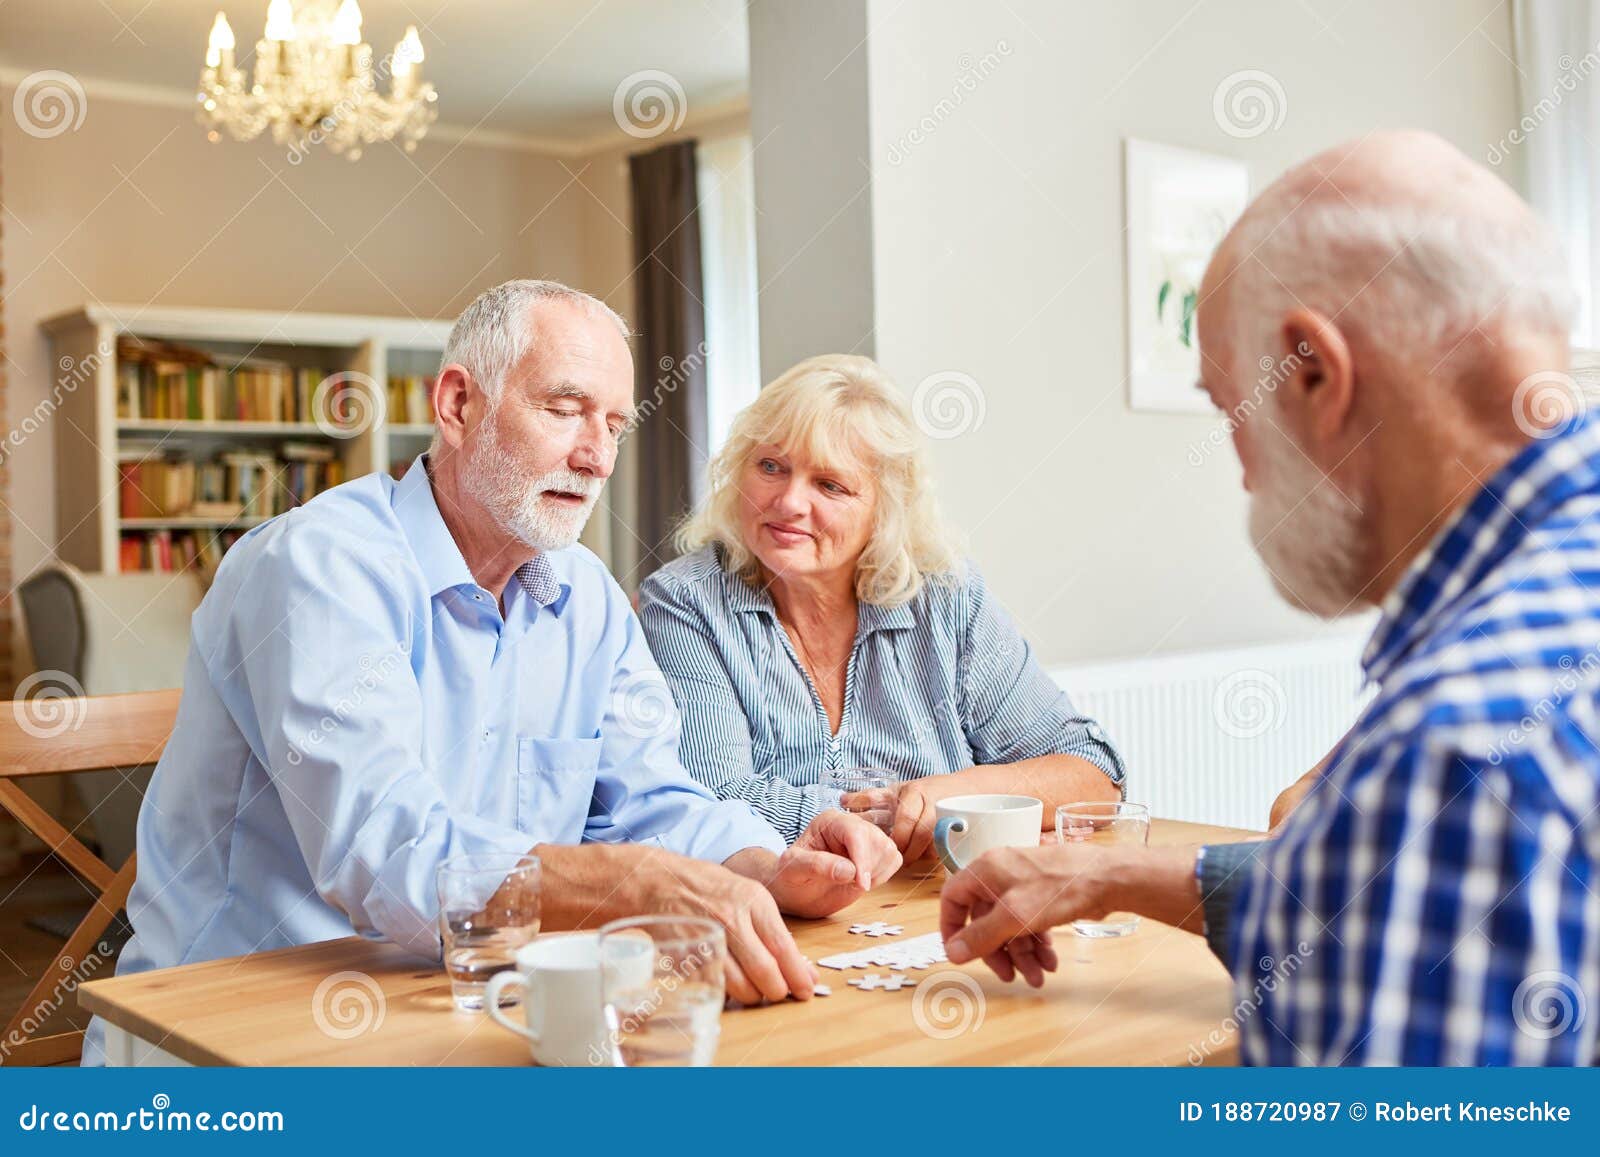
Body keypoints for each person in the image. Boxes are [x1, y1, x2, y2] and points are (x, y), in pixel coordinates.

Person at [82, 280, 901, 1065]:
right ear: (458, 405)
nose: (597, 457)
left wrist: (764, 863)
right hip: (234, 1042)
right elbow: (394, 855)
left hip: (476, 1019)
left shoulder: (585, 595)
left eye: (615, 424)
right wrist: (643, 884)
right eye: (565, 409)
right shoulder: (318, 567)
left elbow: (650, 803)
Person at [940, 131, 1600, 1065]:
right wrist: (1109, 871)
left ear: (1315, 373)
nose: (1244, 471)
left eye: (1228, 411)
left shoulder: (1452, 750)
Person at [638, 354, 1124, 859]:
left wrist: (945, 797)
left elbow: (1093, 774)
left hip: (934, 905)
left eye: (830, 485)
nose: (788, 502)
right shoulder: (685, 602)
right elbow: (716, 803)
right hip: (784, 913)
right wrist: (953, 816)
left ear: (884, 509)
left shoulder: (945, 596)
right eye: (770, 467)